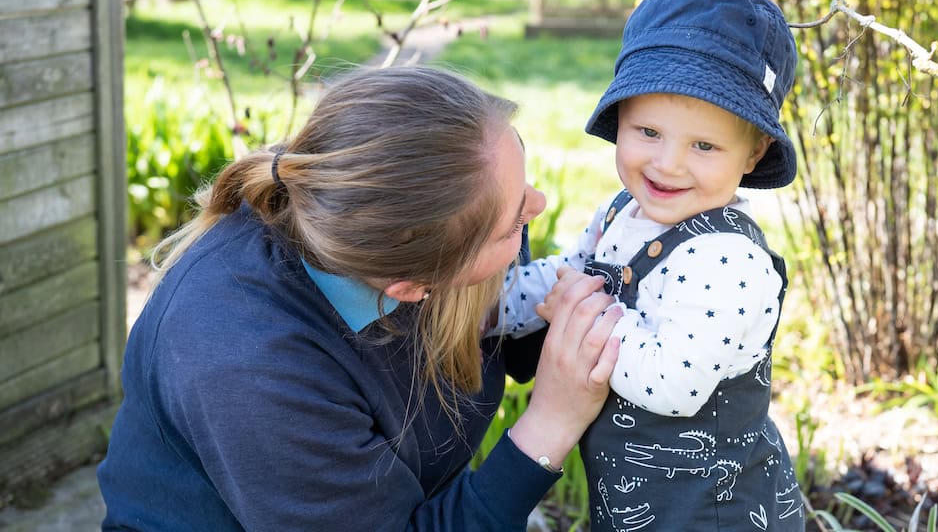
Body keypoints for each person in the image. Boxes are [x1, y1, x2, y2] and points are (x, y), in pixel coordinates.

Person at [97, 65, 622, 531]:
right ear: (413, 288)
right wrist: (551, 422)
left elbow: (506, 328)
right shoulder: (251, 371)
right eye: (515, 221)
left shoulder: (450, 201)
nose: (539, 203)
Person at [496, 0, 806, 530]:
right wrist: (496, 305)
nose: (668, 164)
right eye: (648, 131)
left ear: (754, 152)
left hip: (713, 513)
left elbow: (673, 384)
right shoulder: (622, 212)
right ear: (623, 118)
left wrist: (581, 312)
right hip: (639, 505)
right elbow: (569, 274)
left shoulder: (729, 260)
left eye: (703, 146)